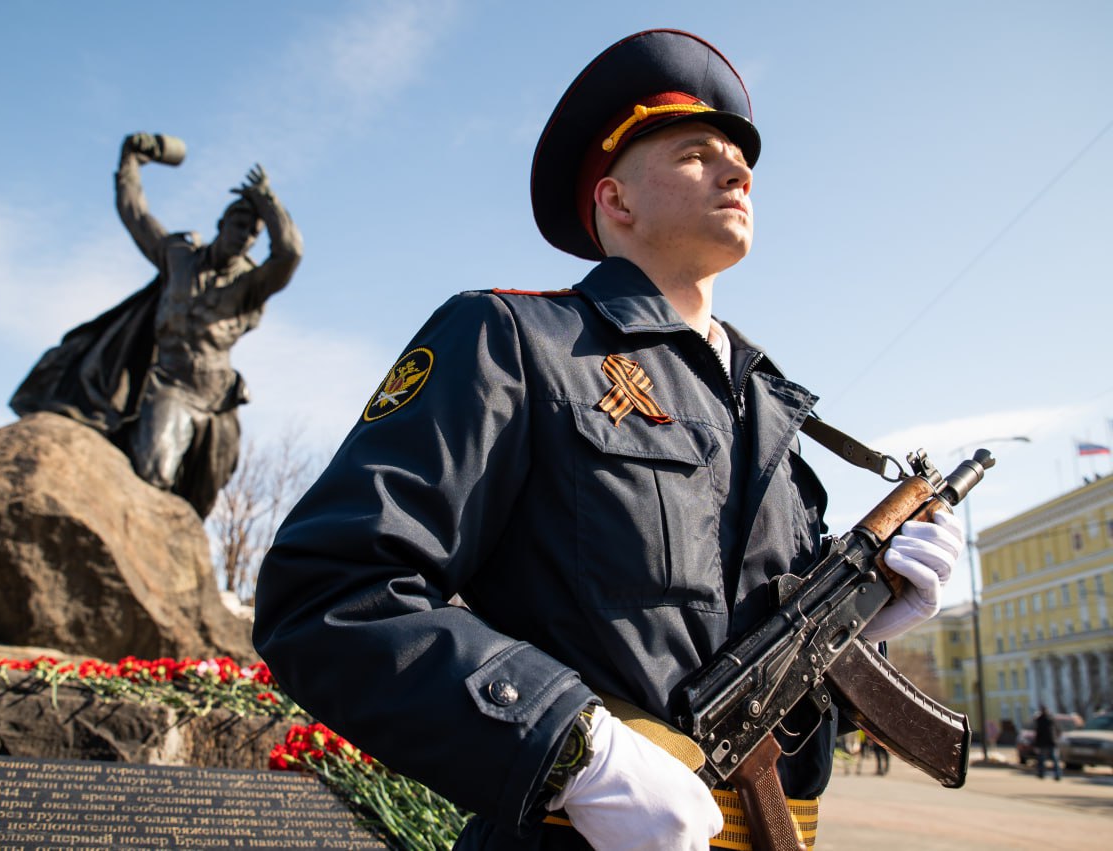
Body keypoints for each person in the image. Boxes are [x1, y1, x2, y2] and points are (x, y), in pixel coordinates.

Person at [253, 29, 963, 851]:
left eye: (741, 160)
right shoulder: (516, 340)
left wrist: (859, 628)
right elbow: (331, 591)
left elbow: (753, 671)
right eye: (698, 154)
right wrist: (572, 749)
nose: (738, 172)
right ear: (616, 200)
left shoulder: (772, 407)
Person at [10, 134, 303, 518]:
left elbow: (290, 252)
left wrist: (269, 203)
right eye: (239, 223)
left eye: (254, 230)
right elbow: (136, 214)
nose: (245, 234)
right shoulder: (178, 258)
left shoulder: (251, 285)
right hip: (171, 385)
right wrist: (129, 163)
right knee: (153, 471)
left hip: (217, 398)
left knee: (199, 500)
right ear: (221, 223)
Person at [1032, 705, 1062, 781]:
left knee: (1050, 759)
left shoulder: (1046, 719)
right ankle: (1045, 773)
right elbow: (1038, 732)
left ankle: (1055, 774)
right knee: (1047, 759)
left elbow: (1057, 730)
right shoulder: (1048, 719)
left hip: (1048, 742)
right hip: (1048, 742)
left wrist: (1036, 744)